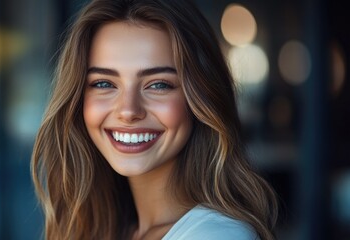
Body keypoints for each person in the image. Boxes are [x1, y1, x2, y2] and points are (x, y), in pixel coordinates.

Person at [31, 0, 278, 239]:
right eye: (104, 83)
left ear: (201, 98)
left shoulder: (216, 235)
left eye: (158, 85)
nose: (128, 110)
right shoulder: (110, 227)